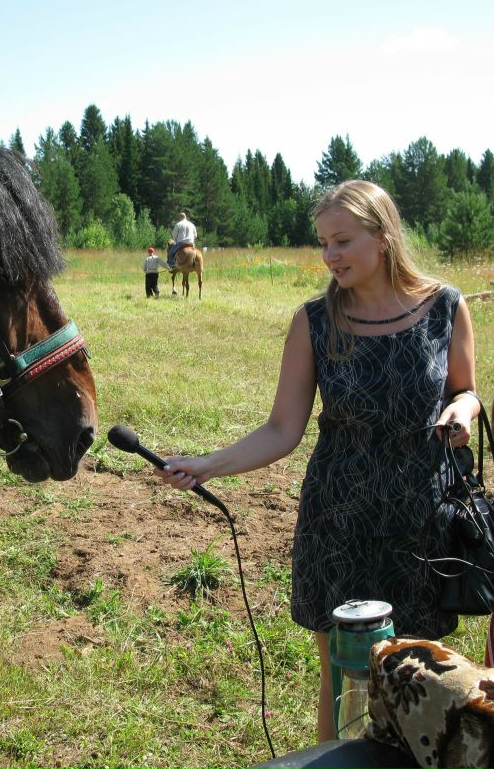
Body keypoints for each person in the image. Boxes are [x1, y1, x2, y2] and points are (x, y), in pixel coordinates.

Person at [153, 180, 480, 742]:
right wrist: (207, 464)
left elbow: (465, 390)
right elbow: (282, 429)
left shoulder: (445, 308)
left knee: (418, 680)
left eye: (342, 241)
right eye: (324, 243)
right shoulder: (314, 321)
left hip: (420, 522)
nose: (330, 255)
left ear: (383, 236)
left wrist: (463, 410)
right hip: (338, 522)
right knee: (342, 677)